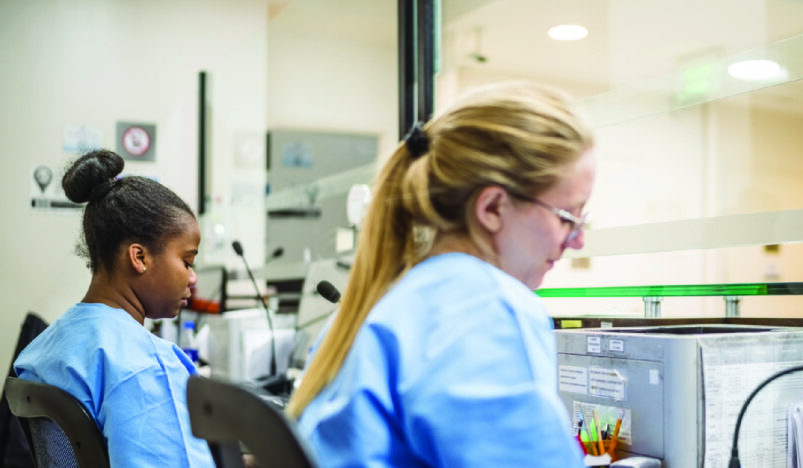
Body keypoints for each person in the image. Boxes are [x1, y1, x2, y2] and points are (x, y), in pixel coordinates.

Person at [287, 81, 595, 468]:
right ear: (494, 208)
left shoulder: (374, 304)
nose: (578, 241)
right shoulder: (487, 309)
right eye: (568, 217)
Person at [14, 150, 214, 467]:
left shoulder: (47, 345)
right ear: (140, 258)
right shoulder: (147, 365)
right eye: (186, 261)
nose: (192, 277)